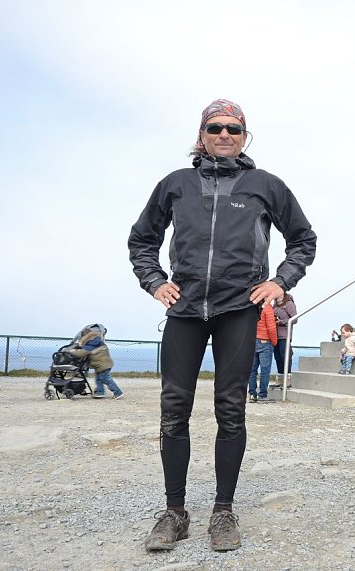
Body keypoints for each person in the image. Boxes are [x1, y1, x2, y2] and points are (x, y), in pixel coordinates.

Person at [128, 98, 317, 552]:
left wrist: (280, 282)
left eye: (234, 128)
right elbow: (143, 239)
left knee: (231, 409)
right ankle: (175, 512)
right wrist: (154, 281)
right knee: (174, 410)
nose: (225, 134)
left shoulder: (265, 185)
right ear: (202, 135)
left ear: (245, 136)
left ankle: (223, 510)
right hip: (185, 310)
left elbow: (303, 240)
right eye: (215, 128)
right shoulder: (176, 184)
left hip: (238, 309)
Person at [68, 325, 123, 399]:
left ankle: (118, 392)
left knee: (106, 379)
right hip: (101, 365)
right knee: (98, 379)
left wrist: (72, 351)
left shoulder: (92, 344)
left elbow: (81, 353)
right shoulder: (96, 341)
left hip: (103, 365)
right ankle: (100, 392)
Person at [248, 302, 278, 403]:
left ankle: (252, 395)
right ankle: (262, 395)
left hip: (252, 340)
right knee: (265, 371)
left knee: (252, 371)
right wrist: (274, 341)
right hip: (265, 341)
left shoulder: (252, 307)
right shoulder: (267, 308)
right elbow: (271, 327)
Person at [272, 293, 297, 384]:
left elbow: (295, 319)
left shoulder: (289, 304)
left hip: (284, 335)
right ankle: (280, 380)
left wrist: (281, 321)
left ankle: (288, 380)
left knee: (285, 357)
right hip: (275, 336)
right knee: (277, 357)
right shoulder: (275, 305)